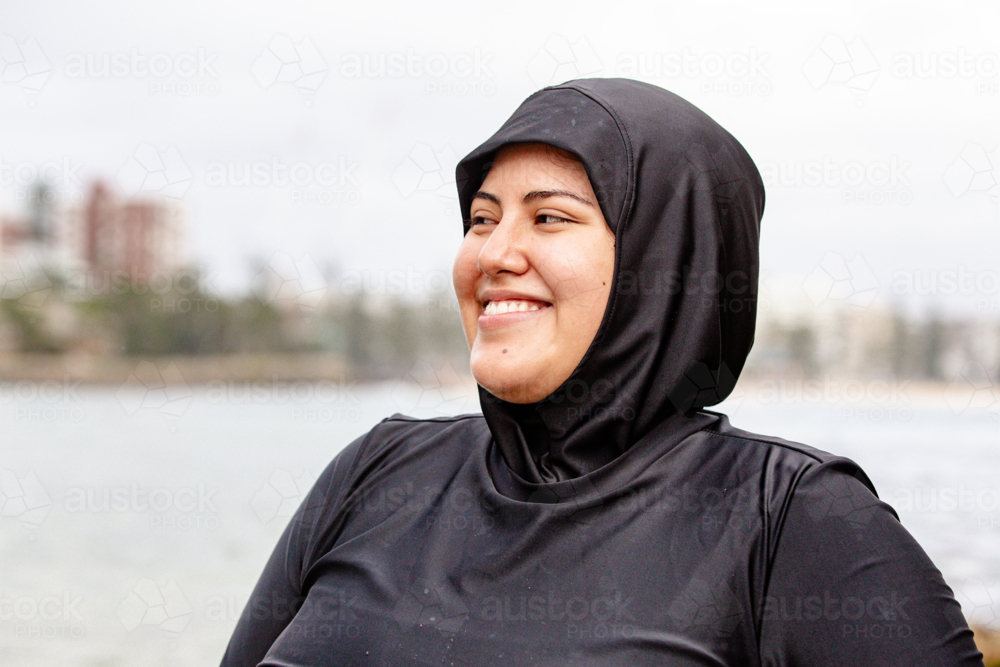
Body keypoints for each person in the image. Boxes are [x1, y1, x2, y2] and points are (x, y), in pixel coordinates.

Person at [220, 78, 983, 666]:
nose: (492, 254)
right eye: (483, 218)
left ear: (667, 260)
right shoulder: (379, 472)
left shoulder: (789, 519)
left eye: (548, 217)